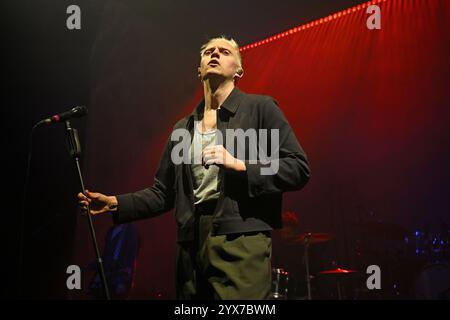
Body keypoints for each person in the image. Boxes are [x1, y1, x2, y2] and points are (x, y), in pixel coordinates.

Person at [78, 35, 310, 300]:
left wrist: (242, 165)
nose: (214, 54)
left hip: (240, 242)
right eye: (209, 51)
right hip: (190, 248)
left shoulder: (260, 109)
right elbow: (163, 192)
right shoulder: (183, 129)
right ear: (199, 70)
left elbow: (298, 167)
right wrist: (115, 203)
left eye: (224, 51)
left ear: (239, 70)